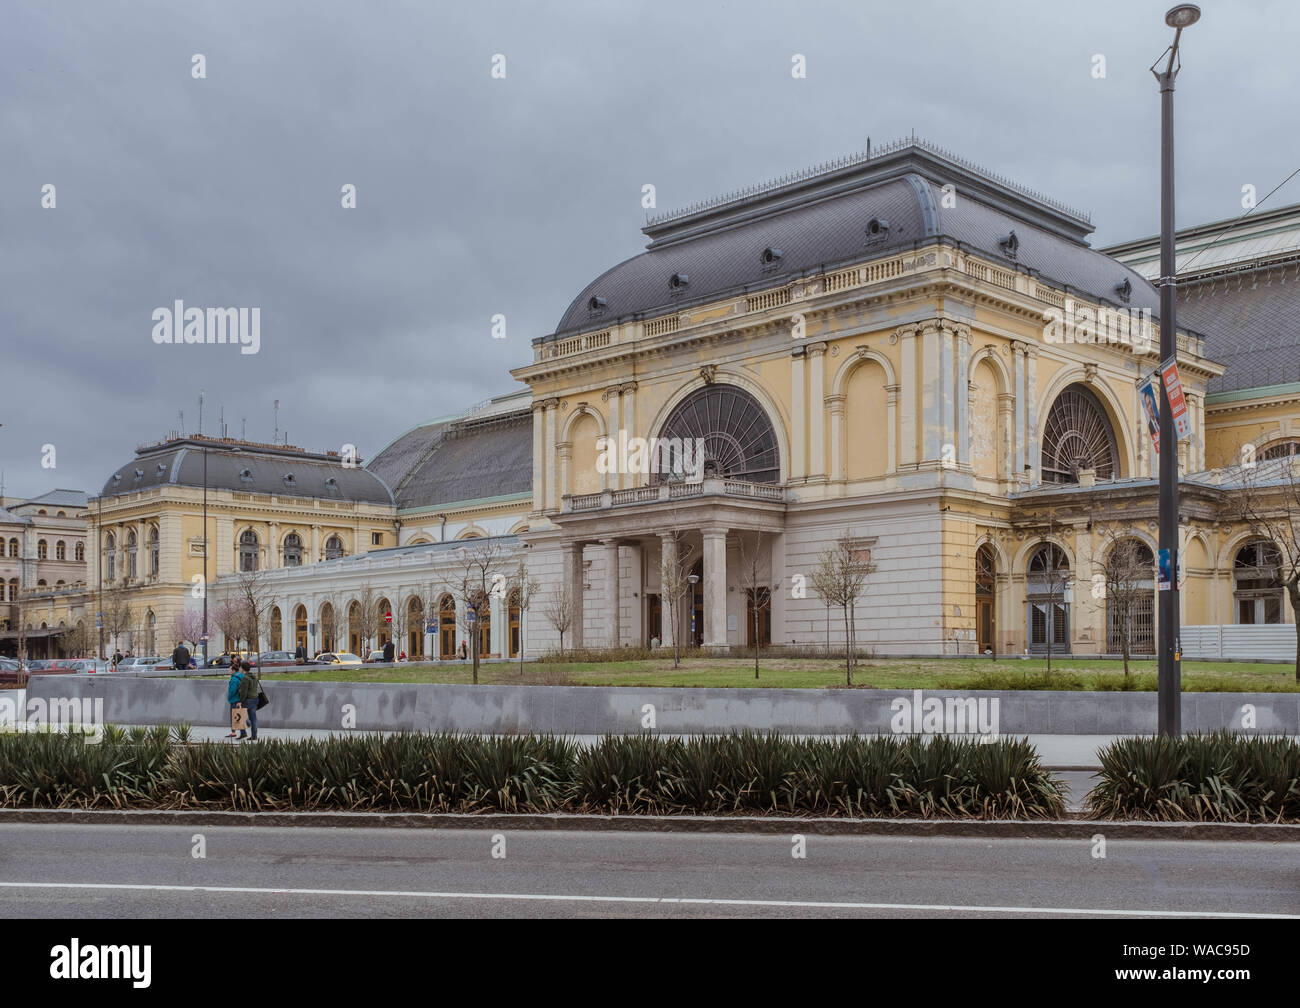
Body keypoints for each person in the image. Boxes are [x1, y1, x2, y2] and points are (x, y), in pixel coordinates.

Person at [236, 659, 261, 741]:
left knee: (238, 714)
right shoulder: (254, 677)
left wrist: (240, 701)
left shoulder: (245, 678)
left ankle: (243, 733)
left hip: (248, 700)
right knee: (253, 718)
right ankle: (254, 736)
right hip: (255, 699)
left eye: (240, 667)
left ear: (242, 669)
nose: (239, 668)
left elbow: (244, 692)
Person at [225, 662, 246, 739]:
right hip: (241, 699)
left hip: (234, 700)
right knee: (239, 716)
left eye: (230, 669)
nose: (229, 671)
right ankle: (238, 732)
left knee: (235, 717)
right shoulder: (242, 676)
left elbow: (232, 690)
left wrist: (229, 697)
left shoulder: (234, 679)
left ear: (233, 670)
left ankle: (234, 732)